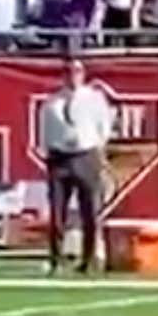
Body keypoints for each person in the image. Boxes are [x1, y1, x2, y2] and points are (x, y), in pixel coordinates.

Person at [38, 57, 114, 274]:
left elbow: (104, 126)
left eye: (78, 71)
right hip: (59, 157)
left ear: (84, 74)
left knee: (89, 210)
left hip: (86, 155)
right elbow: (45, 130)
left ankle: (89, 260)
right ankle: (56, 259)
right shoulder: (52, 102)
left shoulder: (95, 99)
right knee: (57, 212)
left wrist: (97, 148)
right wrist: (49, 152)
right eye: (69, 72)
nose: (73, 76)